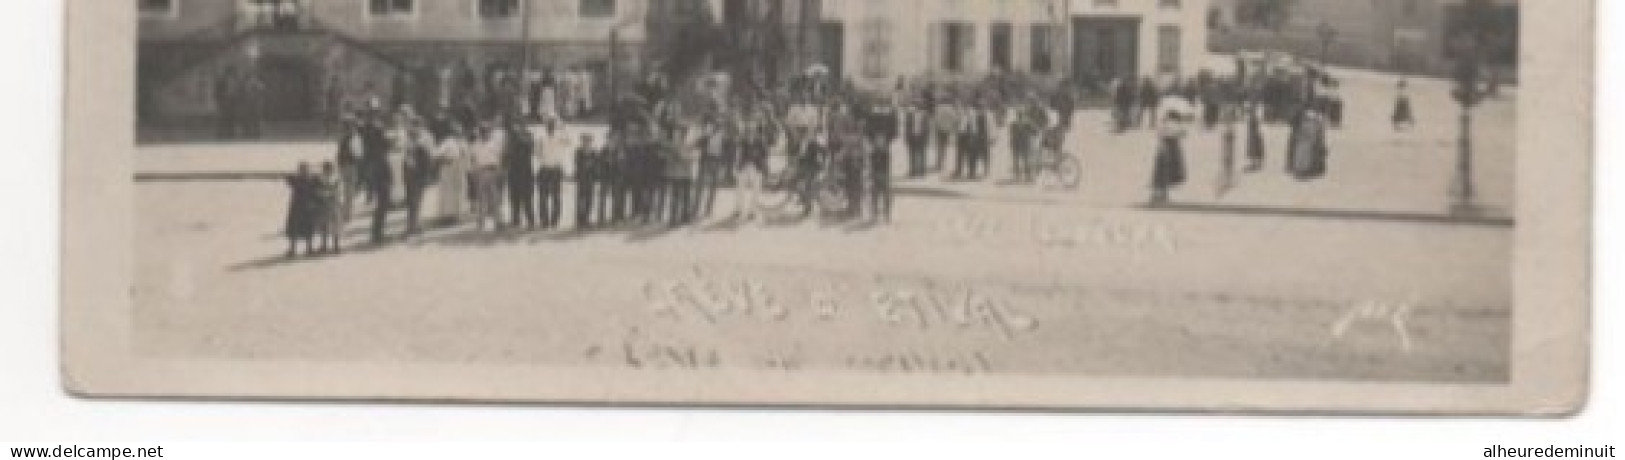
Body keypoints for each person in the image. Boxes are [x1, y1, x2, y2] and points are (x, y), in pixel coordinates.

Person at [401, 119, 436, 236]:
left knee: (416, 200)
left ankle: (414, 226)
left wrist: (429, 172)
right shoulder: (409, 138)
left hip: (419, 172)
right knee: (412, 200)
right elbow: (406, 155)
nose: (413, 129)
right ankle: (413, 226)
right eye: (412, 126)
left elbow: (430, 156)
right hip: (411, 172)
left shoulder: (425, 138)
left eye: (415, 126)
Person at [469, 122, 506, 231]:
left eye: (486, 131)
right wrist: (474, 173)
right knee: (481, 199)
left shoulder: (495, 144)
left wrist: (499, 172)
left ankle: (498, 222)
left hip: (493, 171)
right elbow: (473, 160)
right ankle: (480, 223)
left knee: (495, 199)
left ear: (490, 132)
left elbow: (499, 158)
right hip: (480, 172)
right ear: (480, 132)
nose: (484, 133)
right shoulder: (475, 145)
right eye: (482, 131)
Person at [534, 118, 569, 229]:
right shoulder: (540, 138)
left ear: (555, 126)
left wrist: (562, 127)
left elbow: (568, 141)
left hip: (556, 169)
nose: (550, 127)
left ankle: (554, 222)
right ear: (545, 126)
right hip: (544, 169)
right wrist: (543, 159)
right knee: (543, 197)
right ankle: (544, 221)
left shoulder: (560, 137)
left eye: (552, 125)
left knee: (556, 197)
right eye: (548, 125)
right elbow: (537, 153)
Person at [1149, 109, 1190, 205]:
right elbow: (1182, 134)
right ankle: (1162, 194)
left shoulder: (1164, 124)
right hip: (1172, 148)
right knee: (1167, 171)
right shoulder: (1174, 125)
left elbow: (1160, 135)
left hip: (1165, 148)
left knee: (1161, 172)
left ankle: (1159, 194)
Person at [434, 124, 470, 225]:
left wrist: (466, 165)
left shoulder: (463, 142)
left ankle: (458, 215)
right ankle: (446, 216)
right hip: (448, 168)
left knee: (460, 191)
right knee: (447, 192)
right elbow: (437, 155)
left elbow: (468, 156)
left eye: (460, 131)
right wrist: (445, 160)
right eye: (456, 131)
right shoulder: (447, 142)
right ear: (452, 132)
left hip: (460, 169)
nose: (458, 133)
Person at [283, 162, 320, 257]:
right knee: (295, 228)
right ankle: (294, 249)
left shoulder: (309, 180)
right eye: (303, 169)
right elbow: (288, 179)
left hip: (305, 206)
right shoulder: (303, 180)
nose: (304, 171)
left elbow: (288, 179)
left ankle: (308, 248)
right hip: (298, 206)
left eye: (305, 169)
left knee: (308, 227)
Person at [316, 161, 346, 253]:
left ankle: (336, 245)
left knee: (335, 224)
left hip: (334, 203)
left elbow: (339, 191)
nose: (327, 171)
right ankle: (324, 244)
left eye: (329, 169)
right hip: (323, 204)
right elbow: (317, 190)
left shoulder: (336, 179)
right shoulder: (320, 179)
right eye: (326, 169)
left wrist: (330, 194)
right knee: (323, 224)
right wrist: (323, 194)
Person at [868, 131, 893, 222]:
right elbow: (871, 165)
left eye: (881, 141)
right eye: (877, 141)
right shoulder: (873, 153)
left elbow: (887, 166)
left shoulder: (886, 152)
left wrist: (886, 176)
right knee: (874, 196)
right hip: (875, 176)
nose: (879, 142)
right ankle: (874, 214)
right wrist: (872, 175)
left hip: (884, 176)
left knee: (886, 196)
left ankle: (887, 215)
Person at [574, 134, 599, 229]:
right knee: (581, 200)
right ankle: (579, 220)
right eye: (585, 141)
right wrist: (588, 164)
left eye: (588, 141)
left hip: (590, 179)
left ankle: (586, 219)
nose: (587, 143)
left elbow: (596, 165)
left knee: (589, 200)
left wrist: (591, 165)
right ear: (582, 141)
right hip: (581, 179)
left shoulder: (594, 152)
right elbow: (578, 164)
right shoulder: (578, 151)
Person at [903, 100, 932, 178]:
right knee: (912, 154)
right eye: (917, 105)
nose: (917, 107)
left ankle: (922, 171)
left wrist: (927, 138)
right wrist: (906, 137)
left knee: (922, 154)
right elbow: (907, 127)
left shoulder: (925, 115)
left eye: (919, 105)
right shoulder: (910, 114)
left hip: (921, 136)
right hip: (912, 136)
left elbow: (928, 128)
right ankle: (913, 171)